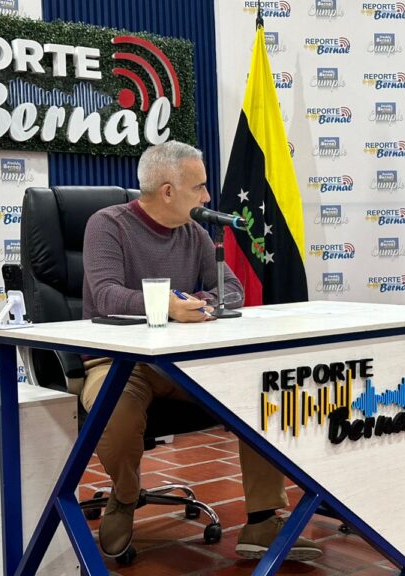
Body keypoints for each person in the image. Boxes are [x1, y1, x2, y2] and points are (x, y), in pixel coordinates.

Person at [82, 141, 322, 560]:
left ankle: (263, 522)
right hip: (123, 362)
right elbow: (105, 296)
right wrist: (170, 307)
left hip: (187, 363)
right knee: (112, 408)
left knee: (263, 391)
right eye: (201, 188)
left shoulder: (194, 232)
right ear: (168, 190)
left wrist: (199, 303)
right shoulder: (107, 225)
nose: (209, 198)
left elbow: (231, 288)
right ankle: (124, 495)